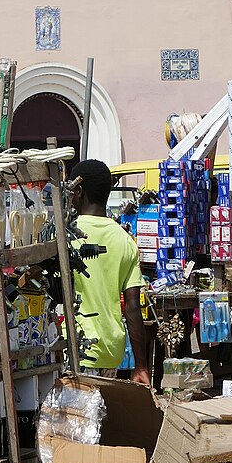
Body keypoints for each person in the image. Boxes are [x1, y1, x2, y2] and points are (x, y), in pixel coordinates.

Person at [70, 159, 150, 384]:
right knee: (99, 406)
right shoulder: (125, 240)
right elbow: (133, 306)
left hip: (75, 347)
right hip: (111, 350)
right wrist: (141, 366)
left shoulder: (66, 236)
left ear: (79, 191)